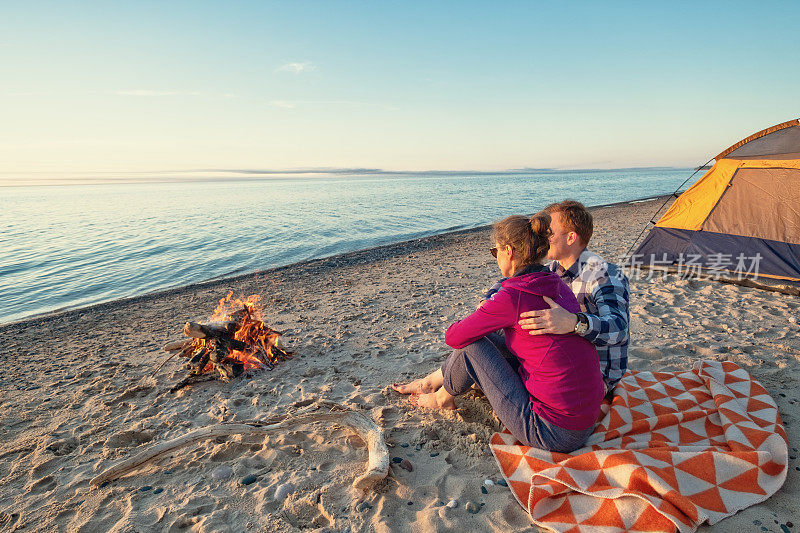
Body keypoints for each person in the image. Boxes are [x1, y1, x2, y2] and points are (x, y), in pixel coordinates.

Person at [393, 214, 605, 452]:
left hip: (552, 432)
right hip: (585, 418)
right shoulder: (555, 283)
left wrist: (483, 314)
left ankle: (441, 399)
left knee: (473, 346)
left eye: (495, 252)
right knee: (488, 340)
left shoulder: (514, 297)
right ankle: (429, 383)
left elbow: (453, 337)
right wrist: (489, 316)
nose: (496, 258)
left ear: (508, 251)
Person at [518, 200, 630, 394]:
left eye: (548, 233)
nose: (541, 239)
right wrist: (489, 298)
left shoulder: (605, 275)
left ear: (570, 238)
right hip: (565, 361)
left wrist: (573, 323)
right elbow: (517, 280)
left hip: (596, 376)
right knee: (484, 344)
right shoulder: (554, 269)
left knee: (480, 358)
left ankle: (446, 394)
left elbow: (618, 328)